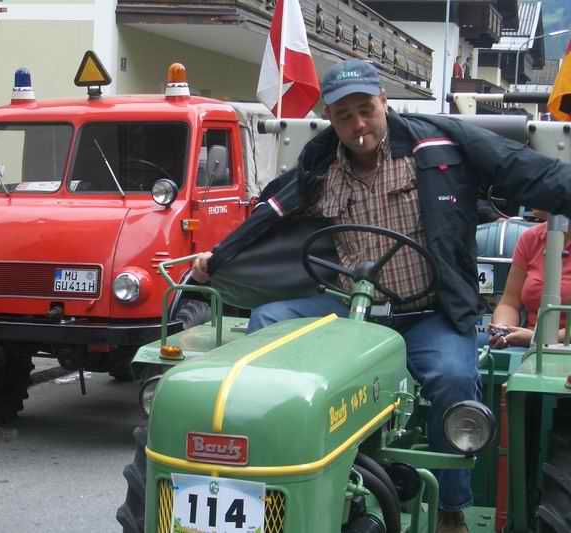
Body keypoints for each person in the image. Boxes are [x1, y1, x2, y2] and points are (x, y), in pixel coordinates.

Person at [192, 59, 571, 533]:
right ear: (330, 119)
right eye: (344, 115)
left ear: (384, 103)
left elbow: (522, 170)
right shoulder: (318, 165)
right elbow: (269, 212)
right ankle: (272, 468)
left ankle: (451, 508)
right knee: (269, 321)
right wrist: (218, 257)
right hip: (351, 308)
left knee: (454, 378)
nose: (358, 125)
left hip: (428, 311)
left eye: (366, 110)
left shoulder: (437, 149)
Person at [488, 210, 571, 349]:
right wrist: (503, 329)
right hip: (528, 347)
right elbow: (509, 302)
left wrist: (536, 338)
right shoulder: (531, 238)